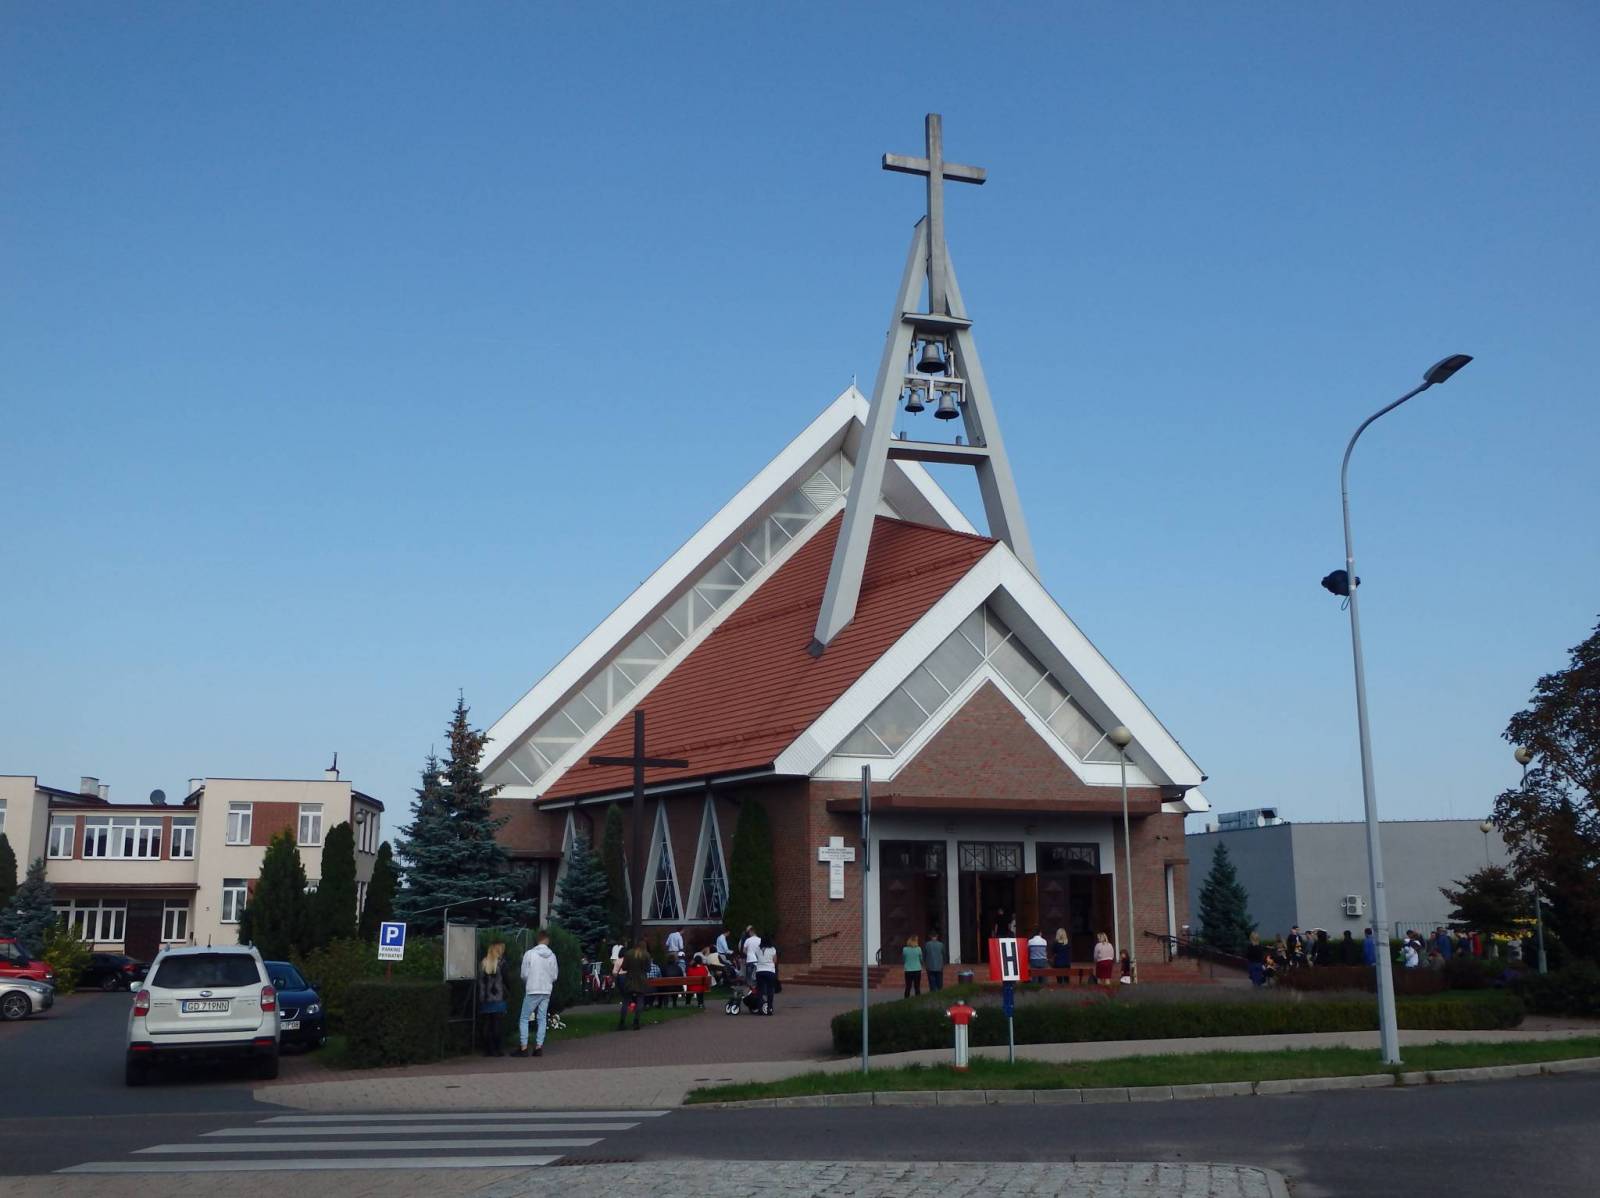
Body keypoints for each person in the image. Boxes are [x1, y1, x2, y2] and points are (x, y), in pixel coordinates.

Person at [515, 929, 559, 1058]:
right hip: (546, 990)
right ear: (547, 940)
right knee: (542, 1018)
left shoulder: (529, 954)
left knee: (524, 1018)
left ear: (537, 939)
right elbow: (554, 975)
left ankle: (523, 1047)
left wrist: (528, 981)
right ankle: (539, 1047)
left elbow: (524, 974)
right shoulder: (552, 956)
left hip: (533, 989)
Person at [477, 939, 512, 1056]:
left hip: (485, 998)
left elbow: (480, 981)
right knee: (497, 1024)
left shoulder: (483, 963)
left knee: (487, 1024)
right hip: (498, 997)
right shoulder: (502, 964)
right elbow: (507, 980)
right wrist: (509, 992)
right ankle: (497, 1049)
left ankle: (488, 1049)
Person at [617, 939, 652, 1030]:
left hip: (629, 979)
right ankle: (636, 1022)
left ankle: (622, 1023)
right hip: (641, 980)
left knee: (626, 1001)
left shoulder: (628, 953)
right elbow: (648, 969)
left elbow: (624, 967)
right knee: (640, 1001)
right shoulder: (646, 955)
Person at [755, 933, 779, 1015]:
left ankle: (760, 1009)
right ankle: (769, 1008)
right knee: (770, 990)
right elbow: (775, 960)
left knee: (760, 991)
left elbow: (757, 958)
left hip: (759, 971)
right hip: (770, 971)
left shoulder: (758, 949)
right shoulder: (772, 949)